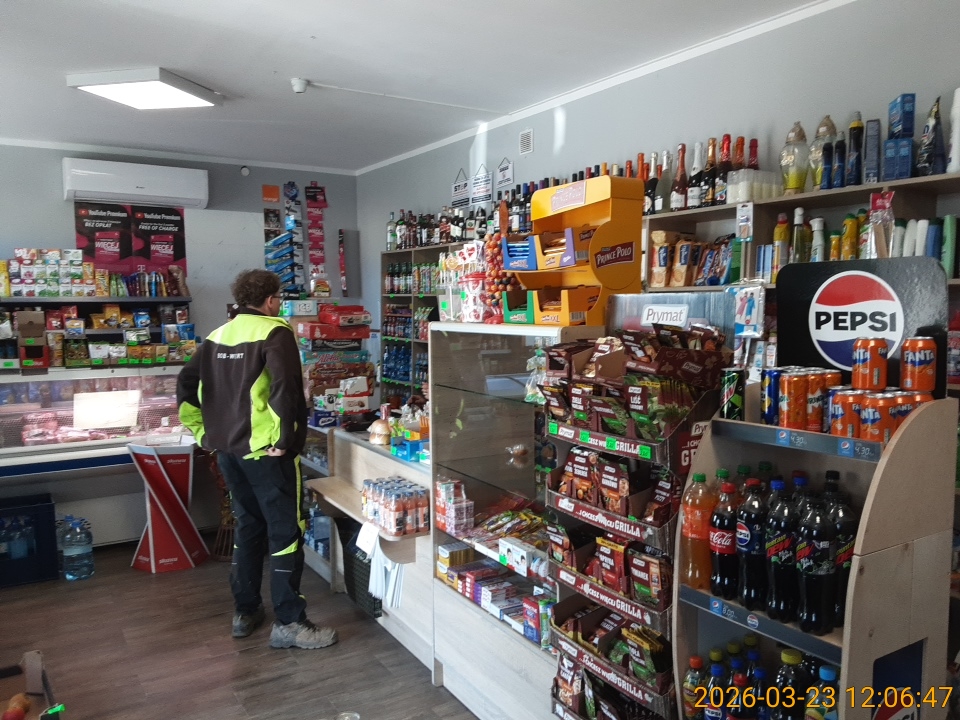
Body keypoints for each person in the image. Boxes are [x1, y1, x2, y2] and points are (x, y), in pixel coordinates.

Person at [177, 269, 337, 650]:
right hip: (268, 453)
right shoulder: (275, 332)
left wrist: (203, 432)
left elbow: (185, 383)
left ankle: (245, 612)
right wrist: (285, 439)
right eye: (278, 298)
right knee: (285, 532)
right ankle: (290, 622)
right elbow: (287, 388)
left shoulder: (217, 336)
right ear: (270, 300)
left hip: (228, 452)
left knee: (248, 527)